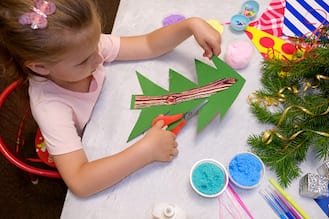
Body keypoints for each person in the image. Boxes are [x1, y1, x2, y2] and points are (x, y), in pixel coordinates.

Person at [0, 0, 221, 197]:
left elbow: (148, 44)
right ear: (40, 67)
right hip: (87, 146)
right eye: (84, 61)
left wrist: (190, 25)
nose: (99, 58)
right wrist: (145, 152)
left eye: (97, 43)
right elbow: (80, 181)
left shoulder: (82, 47)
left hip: (112, 117)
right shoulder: (50, 107)